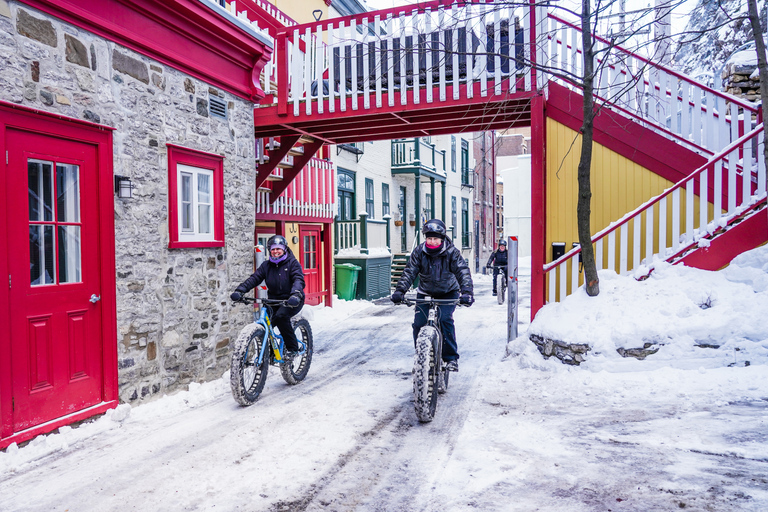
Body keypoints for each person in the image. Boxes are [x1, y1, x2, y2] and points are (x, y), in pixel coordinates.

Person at [390, 219, 474, 372]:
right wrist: (400, 291)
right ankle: (421, 356)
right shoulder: (419, 252)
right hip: (425, 292)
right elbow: (409, 272)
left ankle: (451, 358)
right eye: (429, 238)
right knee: (418, 323)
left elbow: (462, 271)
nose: (432, 241)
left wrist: (467, 292)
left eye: (435, 238)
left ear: (441, 239)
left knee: (445, 320)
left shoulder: (452, 252)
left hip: (448, 292)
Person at [230, 235, 305, 357]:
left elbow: (298, 280)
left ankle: (292, 348)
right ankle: (270, 353)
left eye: (278, 249)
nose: (275, 252)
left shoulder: (292, 263)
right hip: (273, 300)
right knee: (265, 324)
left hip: (292, 300)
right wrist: (240, 291)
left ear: (284, 249)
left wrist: (296, 294)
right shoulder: (266, 265)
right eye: (273, 249)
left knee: (281, 317)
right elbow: (254, 279)